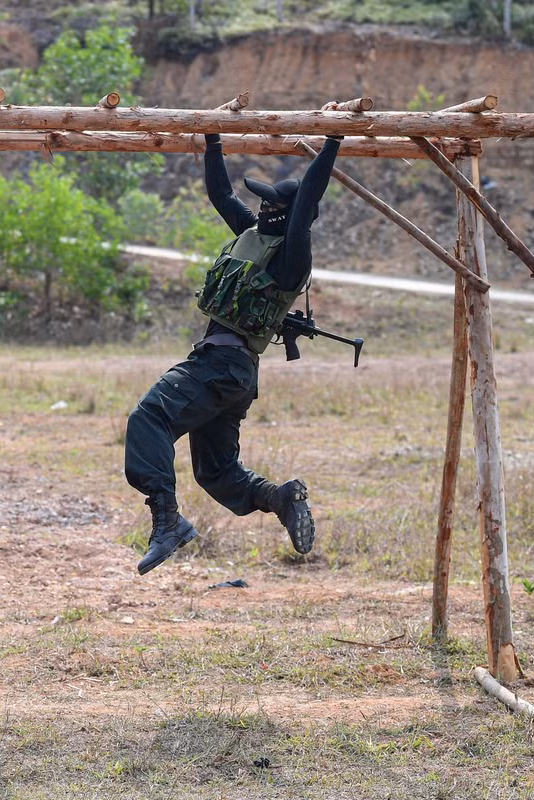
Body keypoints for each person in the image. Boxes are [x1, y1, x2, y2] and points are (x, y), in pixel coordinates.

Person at [125, 132, 342, 575]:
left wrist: (333, 142)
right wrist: (213, 139)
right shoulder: (251, 235)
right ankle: (278, 498)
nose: (262, 211)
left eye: (271, 208)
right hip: (232, 373)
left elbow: (304, 209)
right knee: (216, 470)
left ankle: (167, 522)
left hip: (220, 367)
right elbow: (221, 193)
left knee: (149, 418)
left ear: (289, 217)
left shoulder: (291, 257)